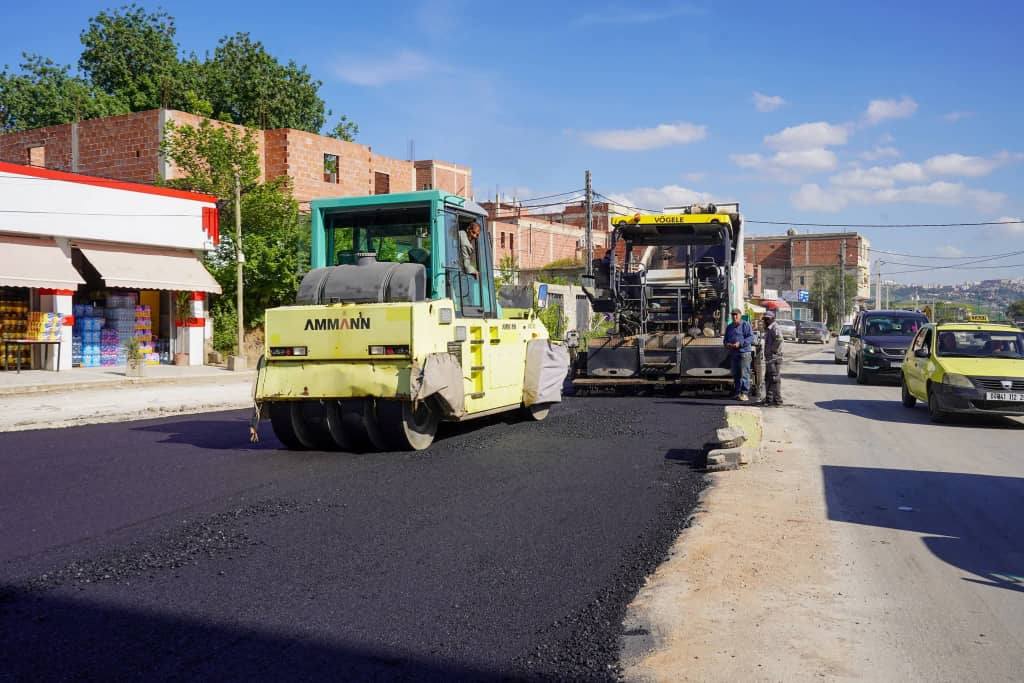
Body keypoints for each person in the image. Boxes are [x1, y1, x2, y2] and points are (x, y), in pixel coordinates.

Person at [724, 308, 755, 401]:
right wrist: (727, 344)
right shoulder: (729, 327)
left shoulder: (745, 325)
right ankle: (737, 392)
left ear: (740, 315)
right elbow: (725, 339)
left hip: (744, 353)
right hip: (733, 353)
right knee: (736, 374)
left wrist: (740, 344)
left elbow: (750, 337)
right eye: (733, 315)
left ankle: (744, 393)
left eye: (736, 314)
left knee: (744, 373)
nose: (734, 316)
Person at [762, 309, 784, 406]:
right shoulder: (769, 328)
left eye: (767, 319)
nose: (765, 321)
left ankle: (778, 400)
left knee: (774, 379)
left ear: (772, 319)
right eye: (765, 319)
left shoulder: (775, 327)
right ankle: (769, 399)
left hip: (774, 358)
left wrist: (772, 350)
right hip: (769, 358)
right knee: (768, 378)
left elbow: (779, 339)